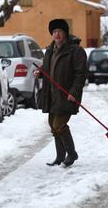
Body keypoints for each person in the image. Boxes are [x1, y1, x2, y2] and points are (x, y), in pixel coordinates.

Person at [34, 19, 87, 167]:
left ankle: (72, 154)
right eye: (54, 31)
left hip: (66, 95)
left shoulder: (76, 51)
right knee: (53, 126)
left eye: (60, 31)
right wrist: (40, 73)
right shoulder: (50, 50)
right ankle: (60, 156)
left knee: (59, 125)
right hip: (51, 95)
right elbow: (47, 69)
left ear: (65, 33)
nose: (56, 34)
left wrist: (74, 92)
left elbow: (80, 75)